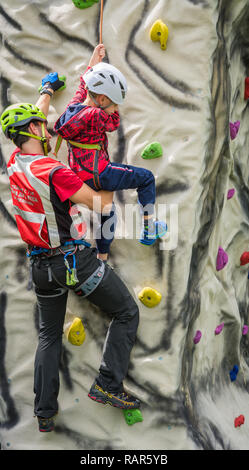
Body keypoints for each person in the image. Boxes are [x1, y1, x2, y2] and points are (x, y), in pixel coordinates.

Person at [0, 76, 140, 433]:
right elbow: (94, 204)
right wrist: (110, 197)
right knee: (126, 311)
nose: (47, 128)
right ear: (33, 129)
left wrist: (45, 93)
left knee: (49, 336)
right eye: (41, 125)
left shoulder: (15, 165)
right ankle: (108, 384)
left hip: (41, 269)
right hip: (73, 261)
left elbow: (33, 125)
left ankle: (44, 412)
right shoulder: (53, 170)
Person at [52, 44, 167, 262]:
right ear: (103, 99)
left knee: (108, 212)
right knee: (146, 178)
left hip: (80, 175)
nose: (116, 109)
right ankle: (150, 226)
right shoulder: (96, 115)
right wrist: (112, 110)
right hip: (100, 173)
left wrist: (93, 62)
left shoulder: (73, 108)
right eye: (114, 103)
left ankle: (101, 258)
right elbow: (113, 123)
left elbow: (82, 86)